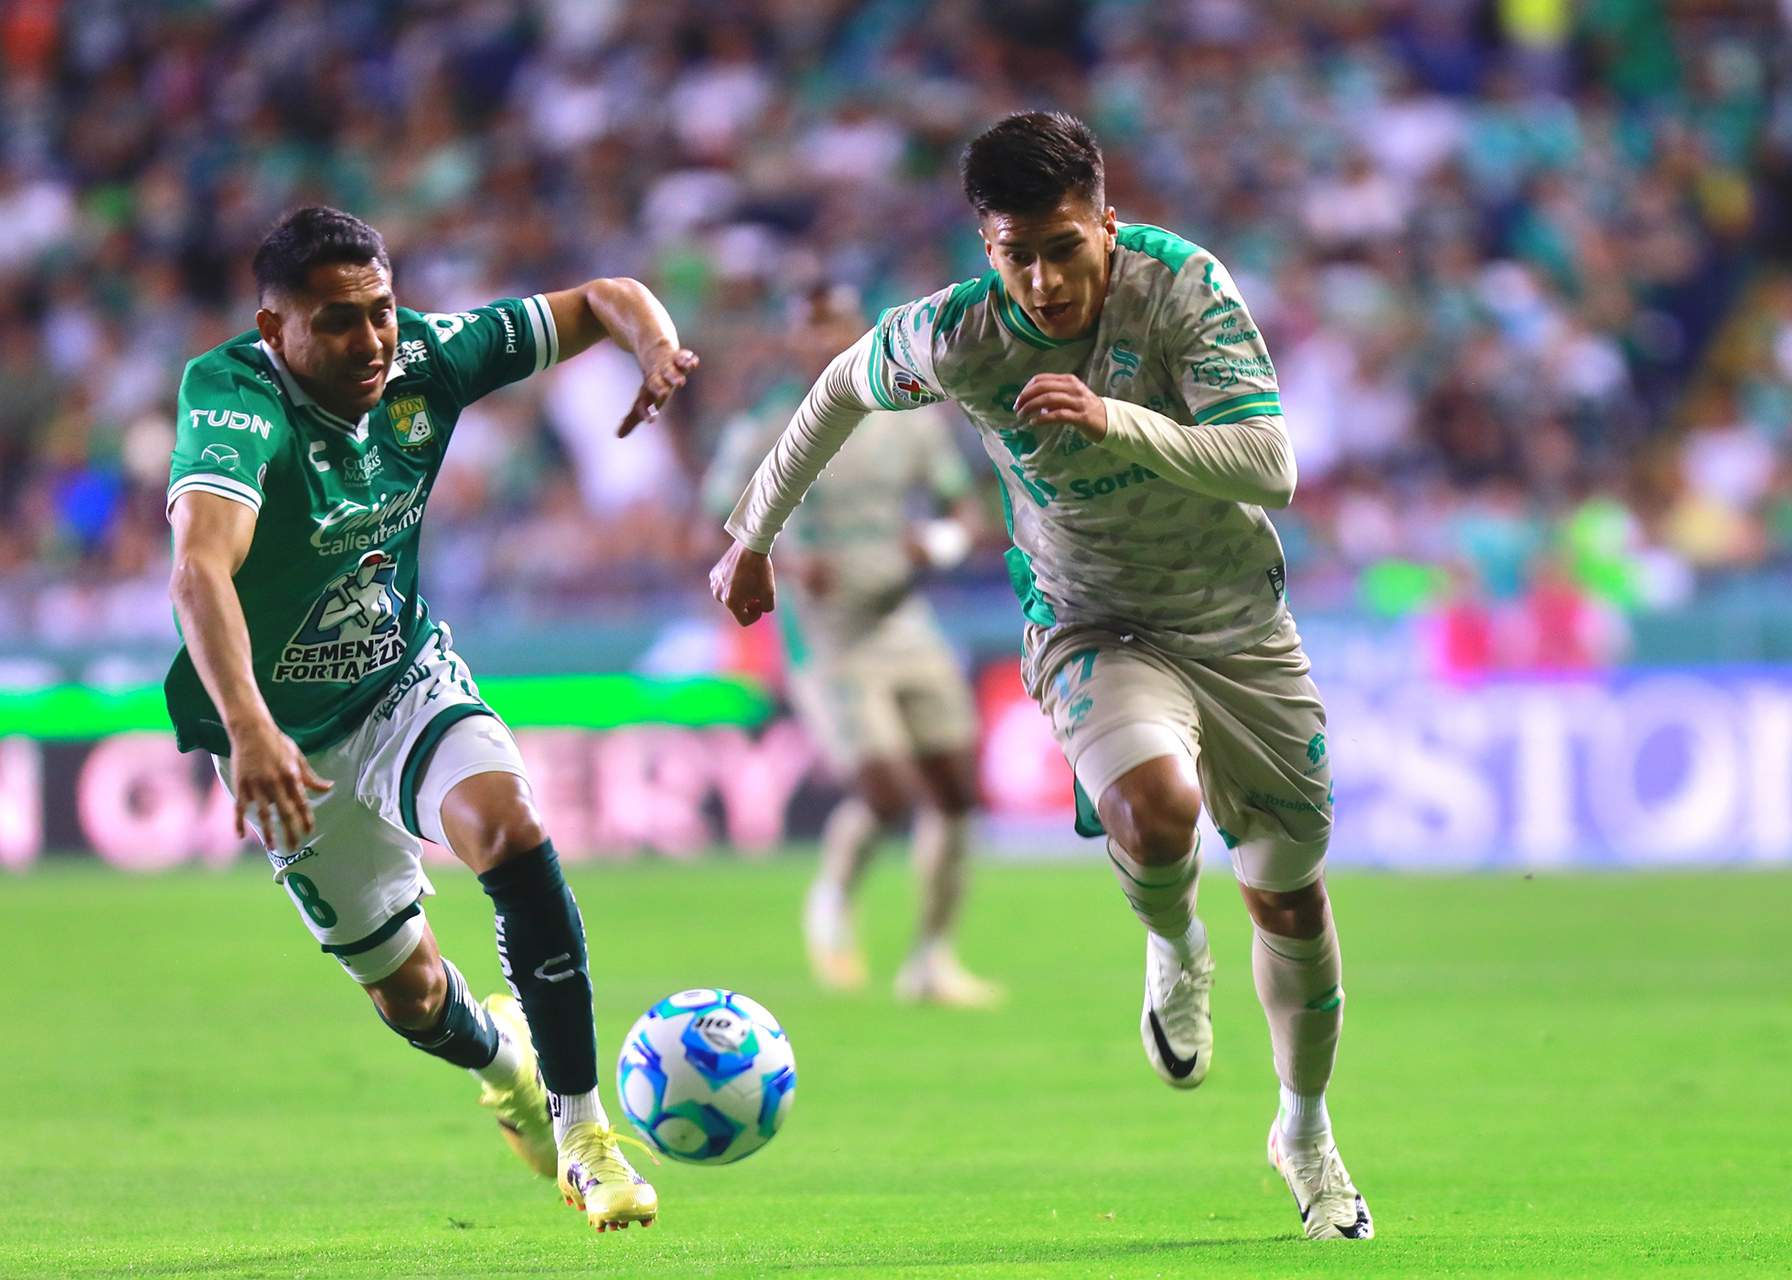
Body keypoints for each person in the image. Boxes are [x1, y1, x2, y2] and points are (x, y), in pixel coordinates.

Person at [708, 114, 1371, 1240]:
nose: (1045, 278)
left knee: (1291, 896)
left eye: (1066, 246)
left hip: (1237, 621)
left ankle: (1302, 1128)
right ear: (987, 245)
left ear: (1106, 220)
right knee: (1152, 810)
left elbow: (1274, 463)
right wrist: (751, 533)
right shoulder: (959, 334)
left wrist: (1115, 417)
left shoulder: (1181, 288)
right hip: (1090, 620)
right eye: (1018, 253)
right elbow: (832, 393)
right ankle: (1175, 946)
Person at [166, 206, 693, 1232]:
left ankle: (586, 1132)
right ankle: (506, 1067)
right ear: (276, 332)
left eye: (383, 312)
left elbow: (600, 299)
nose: (371, 342)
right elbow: (198, 567)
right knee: (408, 996)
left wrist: (656, 342)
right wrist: (251, 728)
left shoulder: (426, 355)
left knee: (509, 826)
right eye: (338, 322)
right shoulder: (229, 395)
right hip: (280, 736)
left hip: (402, 678)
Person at [701, 284, 1000, 1006]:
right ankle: (832, 896)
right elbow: (713, 525)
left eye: (832, 323)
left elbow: (970, 509)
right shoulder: (766, 429)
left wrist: (939, 541)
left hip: (903, 616)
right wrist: (785, 562)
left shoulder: (910, 424)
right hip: (828, 635)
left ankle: (931, 958)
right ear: (791, 340)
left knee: (958, 790)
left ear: (861, 329)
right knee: (888, 792)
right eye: (807, 327)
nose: (820, 339)